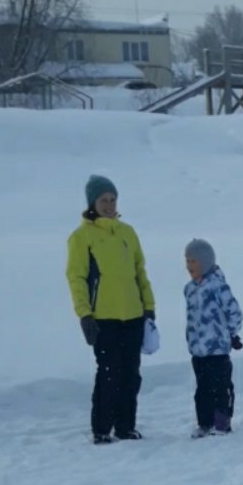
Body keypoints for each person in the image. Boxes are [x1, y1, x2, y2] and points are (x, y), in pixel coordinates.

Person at [66, 175, 156, 443]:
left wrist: (148, 307)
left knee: (130, 374)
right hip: (103, 318)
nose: (108, 204)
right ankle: (102, 429)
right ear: (92, 203)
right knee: (108, 373)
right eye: (103, 200)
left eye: (112, 199)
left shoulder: (127, 232)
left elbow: (140, 271)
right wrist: (84, 314)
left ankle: (126, 426)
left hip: (133, 315)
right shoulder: (81, 237)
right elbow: (76, 277)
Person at [184, 239, 243, 437]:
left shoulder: (218, 287)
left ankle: (221, 423)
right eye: (187, 261)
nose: (189, 266)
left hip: (217, 349)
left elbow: (234, 313)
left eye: (194, 261)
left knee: (220, 387)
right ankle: (205, 423)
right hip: (198, 351)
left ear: (206, 262)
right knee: (202, 389)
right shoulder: (190, 289)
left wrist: (231, 334)